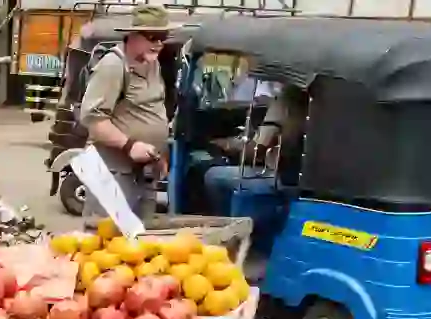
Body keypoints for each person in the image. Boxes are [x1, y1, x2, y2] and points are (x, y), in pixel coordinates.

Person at [78, 4, 180, 218]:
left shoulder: (154, 65)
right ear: (133, 35)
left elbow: (151, 111)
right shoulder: (113, 65)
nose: (159, 43)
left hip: (143, 173)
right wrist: (129, 145)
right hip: (112, 173)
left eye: (163, 37)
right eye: (153, 36)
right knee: (106, 243)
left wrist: (158, 154)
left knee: (140, 243)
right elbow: (92, 119)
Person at [203, 85, 308, 213]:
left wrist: (227, 145)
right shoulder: (311, 104)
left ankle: (224, 223)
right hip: (301, 180)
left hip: (278, 179)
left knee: (213, 176)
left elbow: (256, 151)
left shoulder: (284, 103)